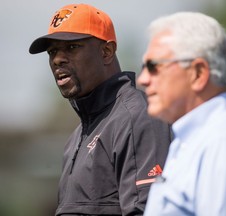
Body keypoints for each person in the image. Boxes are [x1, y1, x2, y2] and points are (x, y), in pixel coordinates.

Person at [29, 3, 171, 216]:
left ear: (106, 52)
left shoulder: (136, 116)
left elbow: (149, 210)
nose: (58, 59)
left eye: (72, 47)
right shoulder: (77, 136)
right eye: (53, 51)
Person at [137, 12, 226, 216]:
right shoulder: (200, 139)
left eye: (154, 66)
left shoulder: (224, 144)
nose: (142, 79)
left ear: (198, 73)